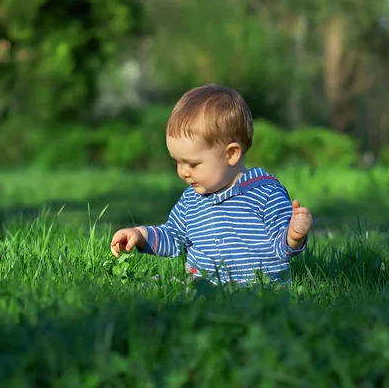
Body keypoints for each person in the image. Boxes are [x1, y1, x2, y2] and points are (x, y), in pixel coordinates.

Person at [110, 84, 313, 285]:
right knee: (156, 287)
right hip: (203, 286)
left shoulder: (265, 193)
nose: (183, 171)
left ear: (231, 154)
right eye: (178, 162)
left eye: (193, 163)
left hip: (259, 290)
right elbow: (173, 237)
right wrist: (140, 235)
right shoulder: (191, 199)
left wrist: (293, 235)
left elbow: (282, 248)